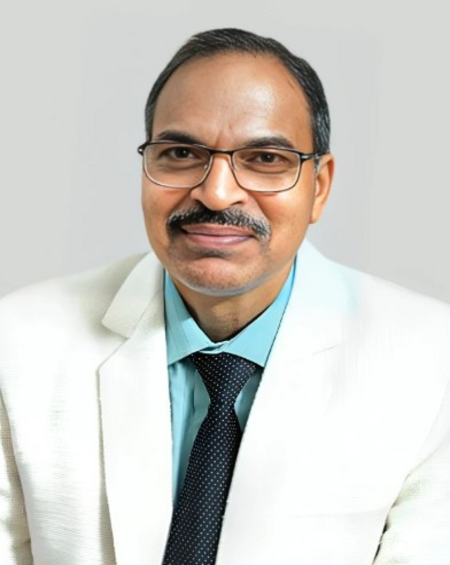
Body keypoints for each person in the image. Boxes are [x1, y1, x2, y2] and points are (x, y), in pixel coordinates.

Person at [0, 27, 449, 565]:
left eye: (265, 159)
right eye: (181, 152)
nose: (216, 193)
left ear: (319, 187)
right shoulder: (17, 342)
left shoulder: (432, 362)